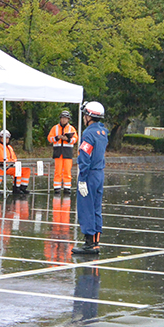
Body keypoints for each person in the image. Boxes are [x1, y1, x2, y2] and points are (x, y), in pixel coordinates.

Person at [72, 101, 108, 255]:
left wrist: (82, 179)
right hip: (99, 173)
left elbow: (85, 156)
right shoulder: (103, 132)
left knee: (86, 207)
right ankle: (95, 241)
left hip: (89, 174)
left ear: (89, 116)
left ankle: (88, 243)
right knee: (96, 208)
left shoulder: (88, 133)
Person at [48, 110, 78, 194]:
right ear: (60, 119)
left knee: (67, 171)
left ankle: (67, 187)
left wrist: (68, 139)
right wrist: (57, 138)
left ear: (68, 119)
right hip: (58, 152)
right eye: (62, 118)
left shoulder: (71, 128)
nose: (64, 120)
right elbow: (49, 138)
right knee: (58, 170)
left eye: (66, 118)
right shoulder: (55, 128)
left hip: (67, 152)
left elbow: (75, 139)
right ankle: (57, 187)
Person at [0, 130, 31, 195]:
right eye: (4, 138)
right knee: (17, 170)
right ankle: (16, 188)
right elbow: (0, 159)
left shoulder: (9, 147)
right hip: (4, 167)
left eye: (7, 138)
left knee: (26, 169)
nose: (6, 139)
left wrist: (13, 162)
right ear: (0, 138)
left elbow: (14, 158)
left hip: (11, 166)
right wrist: (11, 162)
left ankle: (23, 187)